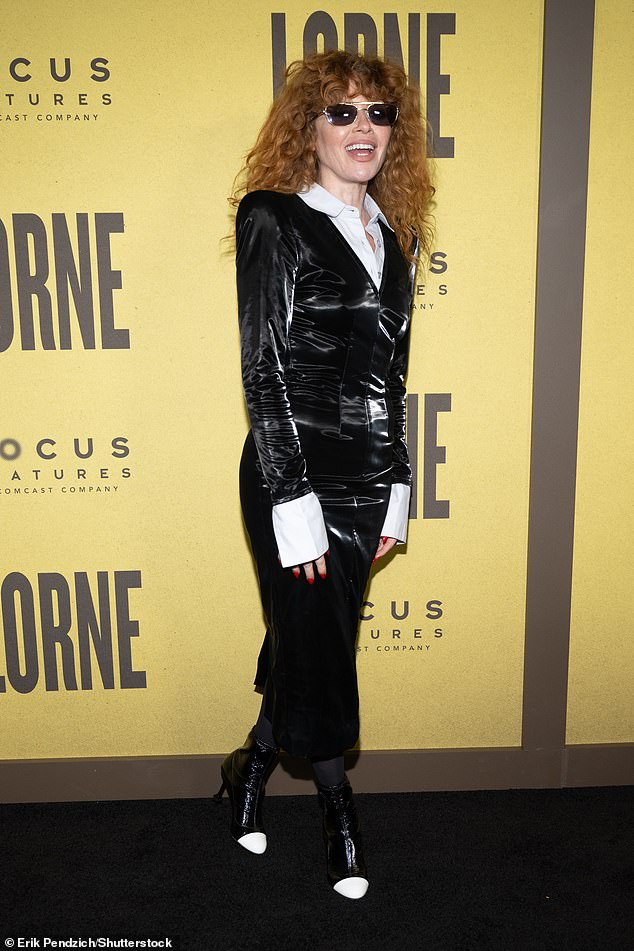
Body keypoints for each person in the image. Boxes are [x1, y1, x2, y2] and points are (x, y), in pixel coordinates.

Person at [213, 49, 435, 900]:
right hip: (291, 471)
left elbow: (392, 382)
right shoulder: (273, 216)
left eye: (378, 113)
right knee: (321, 645)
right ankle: (340, 811)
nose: (362, 128)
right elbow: (263, 372)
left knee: (313, 639)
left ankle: (250, 764)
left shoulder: (395, 234)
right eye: (341, 112)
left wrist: (398, 489)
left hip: (368, 477)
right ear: (307, 129)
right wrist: (293, 502)